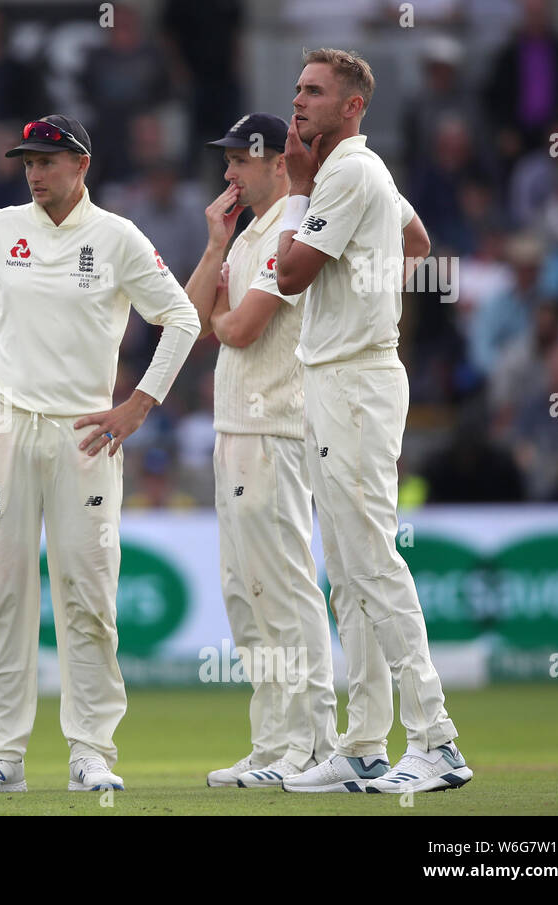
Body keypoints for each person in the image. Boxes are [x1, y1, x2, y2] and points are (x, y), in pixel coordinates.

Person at [0, 115, 201, 793]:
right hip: (4, 429)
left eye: (48, 160)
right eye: (27, 160)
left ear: (82, 163)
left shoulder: (118, 237)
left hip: (86, 435)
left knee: (87, 592)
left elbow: (183, 318)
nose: (35, 171)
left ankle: (90, 751)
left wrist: (138, 404)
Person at [273, 49, 471, 793]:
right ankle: (363, 744)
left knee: (372, 561)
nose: (300, 102)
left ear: (353, 106)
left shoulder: (347, 173)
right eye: (297, 89)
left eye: (316, 92)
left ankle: (436, 737)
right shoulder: (367, 176)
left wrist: (295, 192)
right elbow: (416, 244)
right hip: (341, 378)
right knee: (351, 571)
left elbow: (290, 275)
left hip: (353, 379)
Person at [182, 113, 338, 789]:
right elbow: (191, 324)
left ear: (279, 163)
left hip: (275, 426)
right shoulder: (246, 232)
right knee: (246, 595)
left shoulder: (291, 232)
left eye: (240, 160)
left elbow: (237, 328)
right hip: (236, 430)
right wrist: (215, 244)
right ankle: (274, 739)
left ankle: (310, 744)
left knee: (283, 589)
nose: (228, 172)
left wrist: (222, 317)